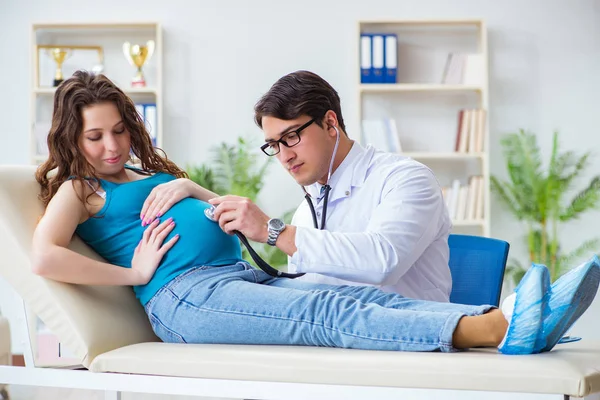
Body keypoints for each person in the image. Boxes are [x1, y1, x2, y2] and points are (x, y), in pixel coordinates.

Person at [31, 70, 599, 356]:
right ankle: (499, 327)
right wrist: (133, 274)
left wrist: (189, 190)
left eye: (120, 129)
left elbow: (223, 215)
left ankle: (526, 317)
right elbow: (44, 256)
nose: (111, 146)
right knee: (324, 313)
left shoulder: (142, 175)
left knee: (346, 297)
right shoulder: (80, 189)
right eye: (95, 136)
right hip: (185, 296)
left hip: (234, 276)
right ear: (72, 140)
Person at [203, 70, 453, 302]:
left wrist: (273, 231)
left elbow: (382, 261)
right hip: (334, 347)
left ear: (330, 123)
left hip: (410, 345)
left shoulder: (407, 179)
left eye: (291, 137)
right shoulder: (307, 209)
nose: (284, 156)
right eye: (274, 145)